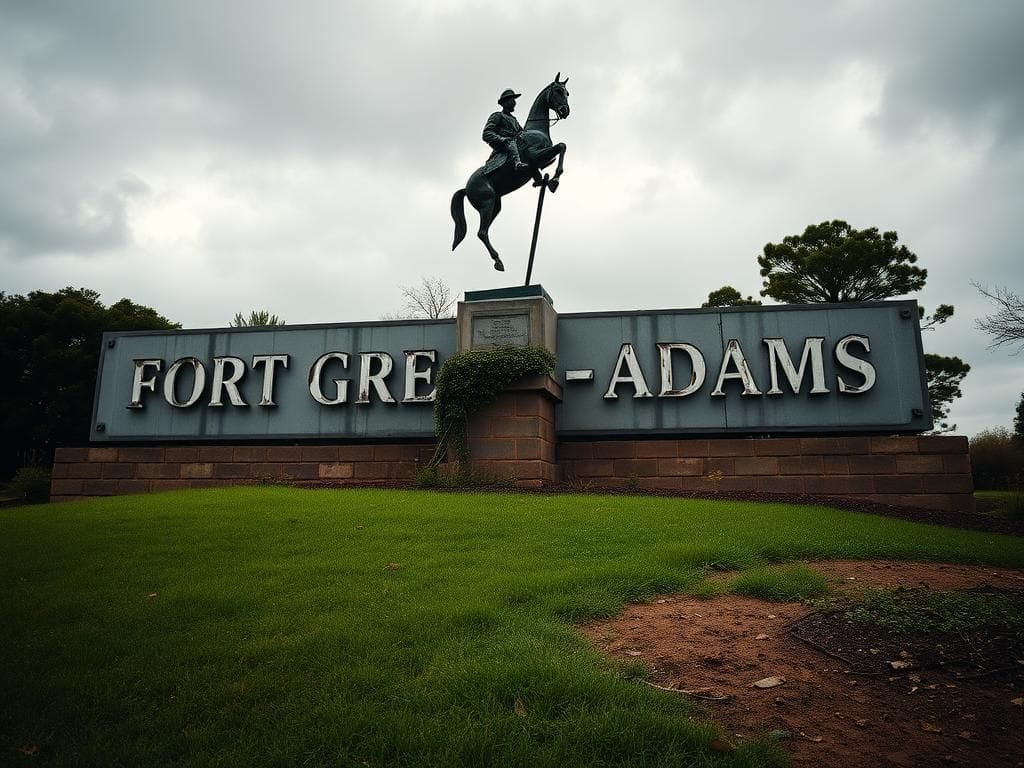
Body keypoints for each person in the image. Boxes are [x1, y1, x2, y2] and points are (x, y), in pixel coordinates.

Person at [482, 88, 529, 174]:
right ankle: (517, 163)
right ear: (504, 102)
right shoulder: (497, 116)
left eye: (514, 100)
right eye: (512, 100)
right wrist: (502, 139)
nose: (514, 102)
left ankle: (538, 178)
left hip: (516, 144)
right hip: (504, 145)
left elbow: (522, 132)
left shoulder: (514, 119)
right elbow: (486, 133)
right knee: (511, 142)